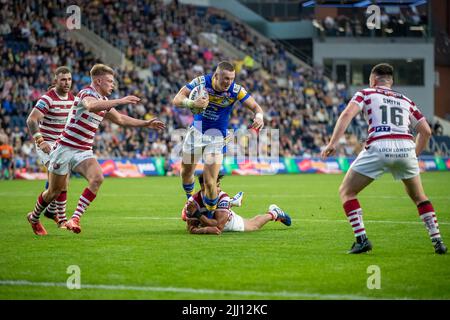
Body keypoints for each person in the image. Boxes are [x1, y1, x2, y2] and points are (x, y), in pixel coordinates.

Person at [321, 63, 447, 254]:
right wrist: (414, 155)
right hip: (406, 147)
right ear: (391, 81)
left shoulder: (366, 93)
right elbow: (426, 131)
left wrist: (332, 143)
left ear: (373, 80)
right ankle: (438, 241)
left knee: (347, 191)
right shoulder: (406, 100)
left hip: (379, 145)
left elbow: (347, 114)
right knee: (420, 197)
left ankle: (362, 239)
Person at [26, 63, 166, 236]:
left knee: (97, 178)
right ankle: (34, 217)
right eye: (109, 81)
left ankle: (74, 218)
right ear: (98, 81)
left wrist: (146, 123)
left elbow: (120, 119)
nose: (113, 85)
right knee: (53, 192)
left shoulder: (104, 102)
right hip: (64, 148)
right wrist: (121, 101)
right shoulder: (86, 93)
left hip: (83, 150)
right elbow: (91, 106)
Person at [172, 61, 264, 217]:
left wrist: (259, 117)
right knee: (186, 173)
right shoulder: (201, 82)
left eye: (232, 78)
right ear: (215, 75)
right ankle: (191, 202)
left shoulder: (236, 90)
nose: (229, 82)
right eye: (225, 78)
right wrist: (192, 103)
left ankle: (209, 217)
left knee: (209, 181)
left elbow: (255, 106)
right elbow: (177, 99)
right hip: (196, 133)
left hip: (217, 138)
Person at [26, 66, 75, 228]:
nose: (67, 82)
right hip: (46, 144)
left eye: (69, 79)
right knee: (62, 182)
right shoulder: (47, 99)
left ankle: (47, 213)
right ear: (56, 80)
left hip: (62, 146)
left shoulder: (73, 99)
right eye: (63, 79)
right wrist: (40, 141)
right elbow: (31, 120)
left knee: (58, 184)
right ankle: (60, 219)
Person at [182, 174, 291, 234]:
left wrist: (197, 215)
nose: (219, 189)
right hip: (210, 218)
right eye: (216, 186)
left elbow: (219, 226)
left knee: (254, 225)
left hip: (228, 222)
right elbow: (191, 228)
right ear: (202, 187)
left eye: (219, 185)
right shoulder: (193, 201)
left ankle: (273, 213)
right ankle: (233, 201)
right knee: (186, 215)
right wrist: (204, 229)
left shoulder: (222, 197)